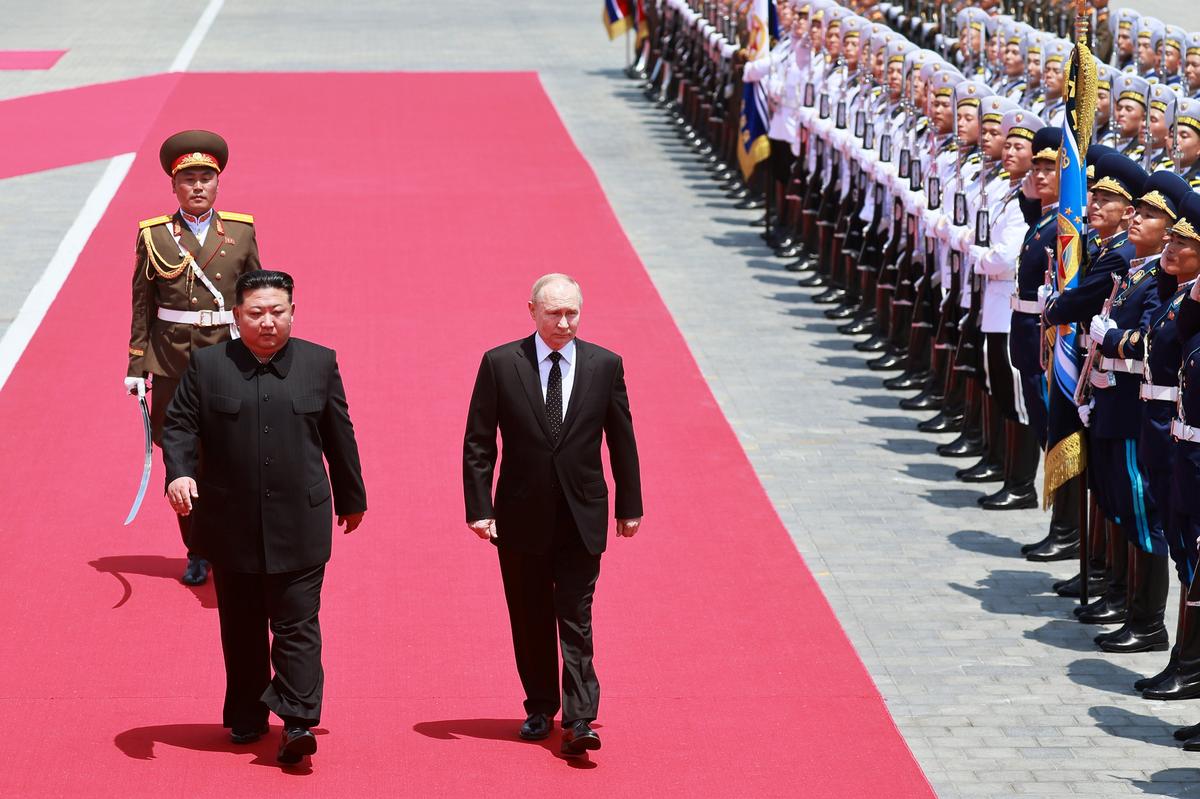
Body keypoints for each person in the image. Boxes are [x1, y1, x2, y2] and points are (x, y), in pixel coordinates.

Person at [162, 270, 367, 765]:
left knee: (298, 624)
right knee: (243, 625)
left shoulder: (319, 363)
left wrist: (351, 497)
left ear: (293, 312)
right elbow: (181, 424)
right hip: (232, 525)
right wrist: (180, 473)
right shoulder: (209, 366)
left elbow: (339, 433)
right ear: (237, 317)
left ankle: (298, 721)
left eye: (278, 311)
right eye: (256, 313)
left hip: (301, 520)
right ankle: (249, 715)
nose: (269, 322)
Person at [462, 273, 643, 757]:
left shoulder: (605, 364)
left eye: (572, 313)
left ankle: (580, 715)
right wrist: (479, 508)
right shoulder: (502, 363)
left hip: (583, 514)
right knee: (530, 616)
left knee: (576, 616)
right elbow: (479, 442)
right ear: (532, 311)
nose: (564, 323)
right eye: (554, 313)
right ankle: (540, 706)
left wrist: (630, 505)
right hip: (520, 516)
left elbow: (621, 439)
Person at [125, 129, 261, 586]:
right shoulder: (154, 235)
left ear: (217, 183)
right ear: (174, 186)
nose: (198, 186)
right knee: (182, 458)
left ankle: (233, 542)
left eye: (206, 177)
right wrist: (135, 366)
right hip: (171, 366)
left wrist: (266, 351)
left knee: (234, 456)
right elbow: (142, 303)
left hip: (228, 359)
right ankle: (197, 548)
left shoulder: (241, 232)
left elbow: (256, 296)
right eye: (189, 179)